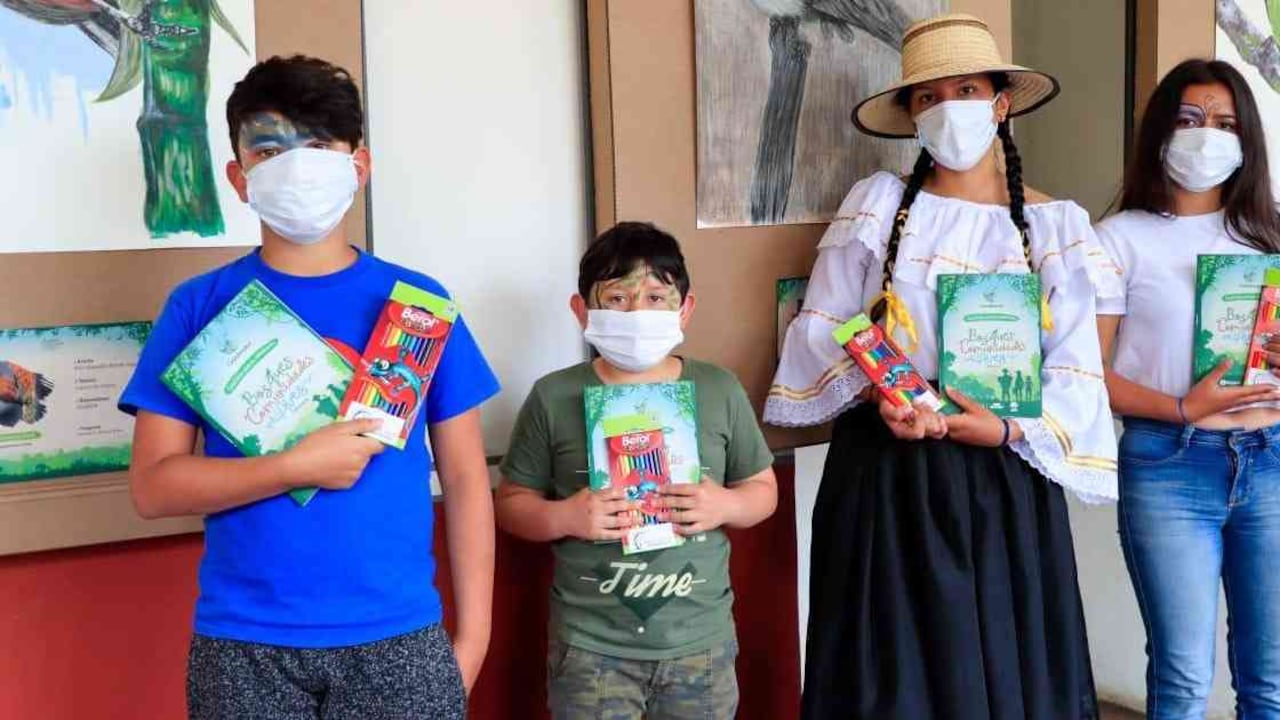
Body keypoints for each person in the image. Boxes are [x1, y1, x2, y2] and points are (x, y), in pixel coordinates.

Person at [119, 56, 500, 720]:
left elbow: (467, 480)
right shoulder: (198, 306)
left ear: (359, 164)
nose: (294, 165)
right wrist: (292, 467)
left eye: (318, 144)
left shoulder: (418, 304)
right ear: (239, 178)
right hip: (244, 643)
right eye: (268, 148)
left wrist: (473, 640)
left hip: (400, 637)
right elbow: (153, 486)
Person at [767, 13, 1120, 719]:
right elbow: (823, 331)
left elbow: (1080, 369)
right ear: (911, 116)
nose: (947, 108)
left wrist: (1009, 431)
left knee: (999, 666)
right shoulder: (875, 206)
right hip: (886, 477)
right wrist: (879, 395)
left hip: (1004, 482)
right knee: (888, 676)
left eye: (965, 89)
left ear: (1000, 103)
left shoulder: (1059, 228)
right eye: (928, 97)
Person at [495, 221, 778, 720]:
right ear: (582, 310)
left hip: (700, 644)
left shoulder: (719, 389)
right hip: (590, 648)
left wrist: (725, 504)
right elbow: (512, 504)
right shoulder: (553, 396)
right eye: (618, 299)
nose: (637, 312)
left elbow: (763, 489)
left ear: (685, 309)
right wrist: (567, 517)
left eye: (654, 297)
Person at [1096, 58, 1280, 719]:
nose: (1208, 136)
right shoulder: (1118, 239)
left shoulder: (1272, 234)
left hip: (1272, 459)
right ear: (1160, 132)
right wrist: (1181, 407)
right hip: (1168, 462)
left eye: (1227, 123)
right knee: (1181, 681)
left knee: (1271, 680)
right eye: (1190, 120)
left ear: (1248, 139)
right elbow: (1089, 376)